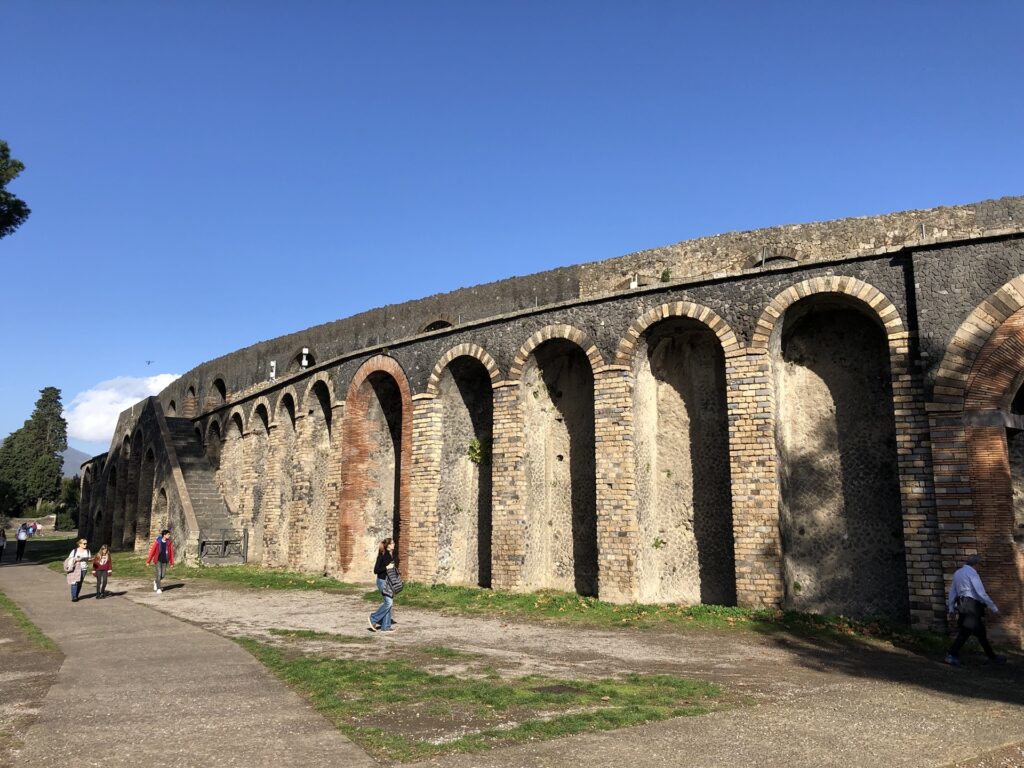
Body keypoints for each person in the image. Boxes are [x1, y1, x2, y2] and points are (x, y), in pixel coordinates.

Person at [945, 554, 1006, 666]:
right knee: (965, 632)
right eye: (980, 564)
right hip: (971, 606)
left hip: (963, 604)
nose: (980, 567)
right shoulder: (972, 574)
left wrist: (951, 608)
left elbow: (952, 592)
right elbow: (981, 593)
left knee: (980, 633)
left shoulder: (958, 573)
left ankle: (992, 657)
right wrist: (994, 609)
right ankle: (951, 655)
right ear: (976, 564)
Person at [368, 538, 397, 633]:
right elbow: (376, 570)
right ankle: (373, 618)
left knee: (389, 603)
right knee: (389, 602)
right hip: (382, 581)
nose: (394, 544)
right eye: (392, 543)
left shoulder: (390, 555)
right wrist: (387, 567)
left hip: (388, 582)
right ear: (388, 545)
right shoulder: (383, 555)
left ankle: (386, 626)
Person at [146, 529, 174, 593]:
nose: (169, 536)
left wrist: (172, 562)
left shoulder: (169, 543)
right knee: (158, 574)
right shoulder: (158, 542)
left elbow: (171, 553)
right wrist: (148, 561)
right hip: (158, 560)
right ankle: (158, 588)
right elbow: (152, 551)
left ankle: (156, 581)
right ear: (164, 535)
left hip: (165, 561)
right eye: (168, 534)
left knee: (163, 575)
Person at [66, 538, 91, 602]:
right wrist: (78, 559)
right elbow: (70, 559)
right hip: (75, 569)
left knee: (79, 583)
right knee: (74, 582)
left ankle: (76, 595)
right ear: (80, 544)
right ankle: (74, 597)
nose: (86, 545)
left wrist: (88, 559)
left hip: (83, 569)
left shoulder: (88, 551)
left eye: (86, 543)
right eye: (84, 543)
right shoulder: (74, 551)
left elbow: (89, 559)